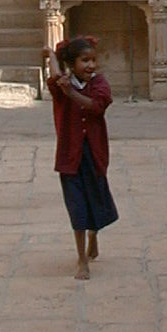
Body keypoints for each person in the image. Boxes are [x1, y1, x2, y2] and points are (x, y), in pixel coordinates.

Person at [43, 35, 118, 279]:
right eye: (84, 61)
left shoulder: (99, 84)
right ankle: (81, 259)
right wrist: (52, 58)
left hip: (93, 154)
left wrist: (71, 93)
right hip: (70, 155)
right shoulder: (62, 85)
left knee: (95, 202)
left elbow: (96, 106)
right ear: (72, 64)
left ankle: (93, 236)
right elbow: (55, 77)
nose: (91, 66)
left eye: (93, 60)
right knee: (76, 207)